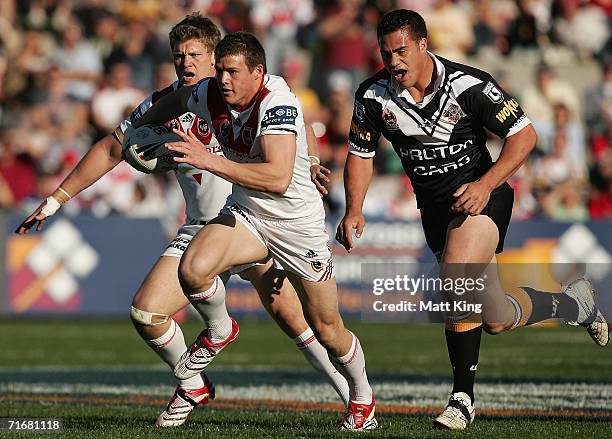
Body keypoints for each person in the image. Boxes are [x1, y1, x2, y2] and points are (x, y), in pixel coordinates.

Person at [15, 13, 348, 428]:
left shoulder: (248, 92)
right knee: (146, 313)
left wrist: (310, 161)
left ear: (215, 58)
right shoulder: (167, 103)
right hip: (202, 226)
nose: (185, 63)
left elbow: (294, 119)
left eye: (194, 54)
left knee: (293, 315)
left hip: (254, 219)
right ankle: (192, 383)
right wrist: (54, 200)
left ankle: (351, 397)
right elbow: (110, 148)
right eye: (178, 56)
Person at [336, 9, 608, 430]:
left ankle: (462, 398)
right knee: (495, 316)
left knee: (456, 275)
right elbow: (361, 155)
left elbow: (525, 136)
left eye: (402, 51)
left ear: (424, 44)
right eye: (387, 54)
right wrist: (354, 208)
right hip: (435, 211)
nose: (394, 63)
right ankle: (576, 304)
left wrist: (485, 184)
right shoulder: (373, 96)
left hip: (484, 196)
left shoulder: (470, 84)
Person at [130, 31, 378, 432]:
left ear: (258, 73)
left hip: (296, 224)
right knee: (192, 268)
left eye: (233, 72)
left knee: (328, 329)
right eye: (221, 71)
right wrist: (141, 129)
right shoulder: (210, 93)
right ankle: (220, 329)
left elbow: (278, 178)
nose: (224, 80)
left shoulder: (276, 102)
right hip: (247, 213)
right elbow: (176, 100)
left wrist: (205, 159)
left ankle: (362, 396)